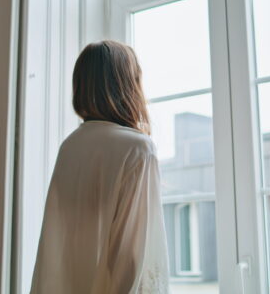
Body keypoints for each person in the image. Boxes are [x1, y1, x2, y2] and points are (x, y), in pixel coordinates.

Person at [30, 40, 170, 293]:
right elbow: (132, 258)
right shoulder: (138, 148)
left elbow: (56, 245)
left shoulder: (70, 147)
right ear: (128, 85)